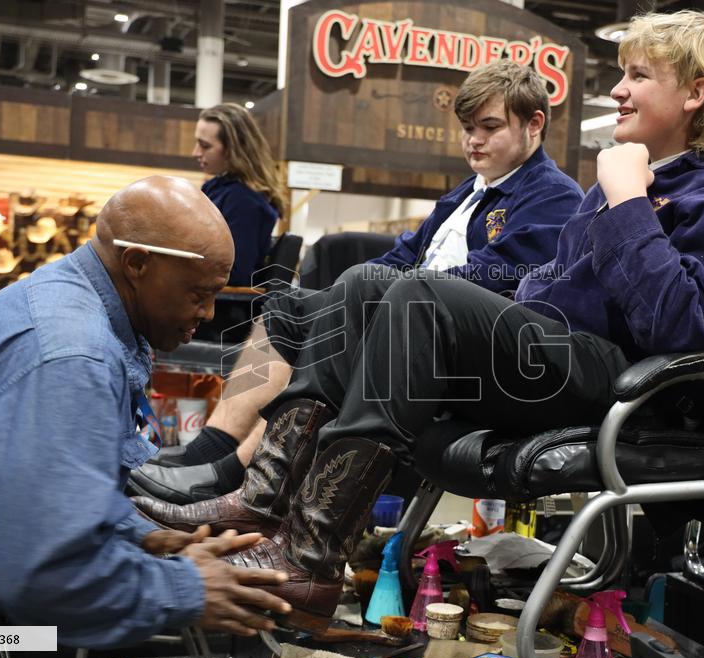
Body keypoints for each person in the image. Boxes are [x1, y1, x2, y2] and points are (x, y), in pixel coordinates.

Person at [134, 9, 704, 633]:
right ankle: (270, 508)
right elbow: (537, 282)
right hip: (548, 352)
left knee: (418, 296)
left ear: (695, 92)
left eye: (637, 76)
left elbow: (679, 326)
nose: (617, 89)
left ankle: (299, 540)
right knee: (359, 284)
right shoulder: (606, 179)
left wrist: (629, 201)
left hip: (617, 377)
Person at [129, 58, 585, 503]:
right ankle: (209, 450)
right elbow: (404, 253)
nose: (474, 140)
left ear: (534, 124)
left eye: (489, 128)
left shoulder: (553, 195)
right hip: (418, 317)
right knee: (288, 306)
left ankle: (240, 475)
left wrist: (387, 290)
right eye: (468, 128)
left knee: (354, 302)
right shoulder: (466, 193)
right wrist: (341, 298)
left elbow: (498, 276)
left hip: (465, 348)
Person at [0, 176, 291, 650]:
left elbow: (31, 485)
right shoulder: (73, 357)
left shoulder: (54, 291)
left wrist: (140, 536)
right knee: (43, 644)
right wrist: (185, 589)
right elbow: (40, 584)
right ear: (138, 263)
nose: (208, 313)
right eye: (197, 293)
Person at [193, 102, 286, 288]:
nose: (195, 152)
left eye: (205, 146)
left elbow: (235, 275)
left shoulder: (244, 201)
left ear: (233, 149)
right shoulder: (216, 187)